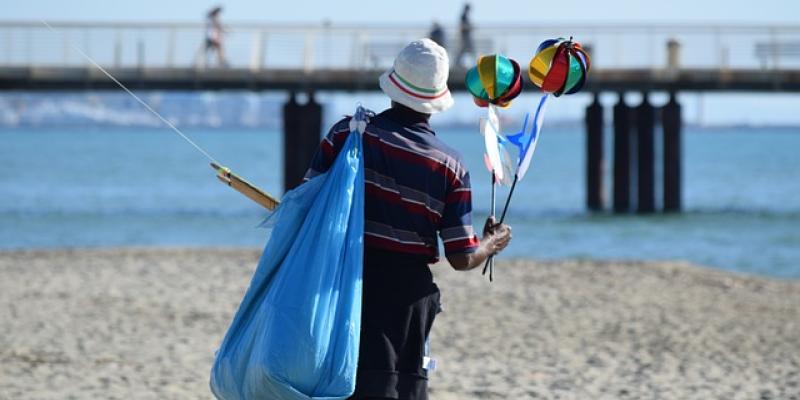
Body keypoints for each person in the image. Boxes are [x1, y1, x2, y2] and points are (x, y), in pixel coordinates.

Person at [304, 39, 512, 400]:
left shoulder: (347, 134)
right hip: (407, 298)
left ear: (394, 85)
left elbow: (308, 203)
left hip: (344, 285)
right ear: (437, 99)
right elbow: (462, 257)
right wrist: (490, 243)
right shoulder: (450, 165)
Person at [455, 3, 474, 67]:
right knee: (464, 50)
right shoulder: (463, 16)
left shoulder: (465, 16)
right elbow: (463, 26)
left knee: (465, 50)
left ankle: (458, 63)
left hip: (465, 36)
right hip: (465, 37)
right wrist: (470, 27)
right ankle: (457, 63)